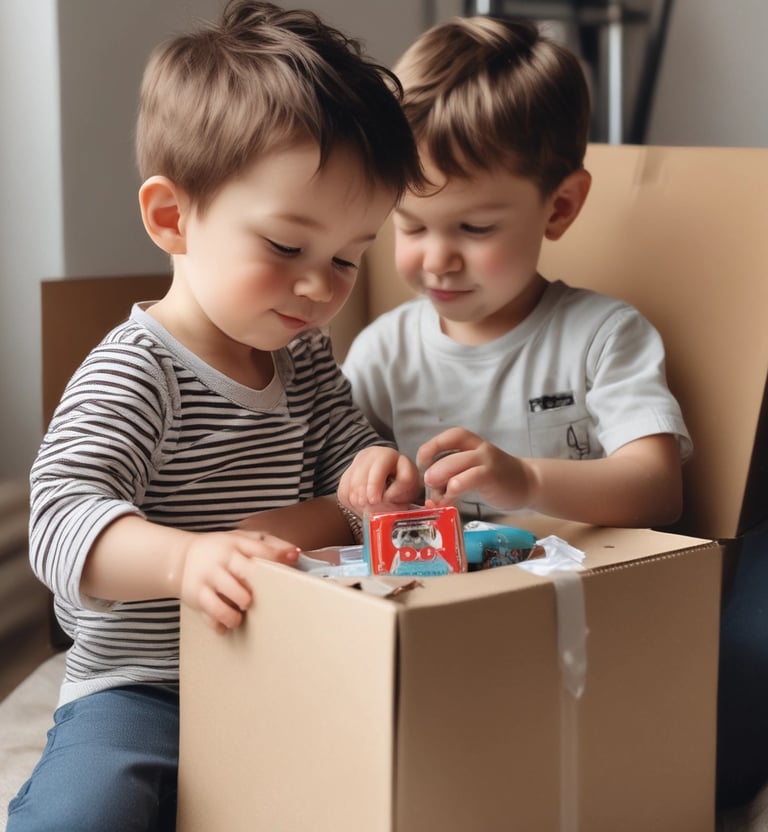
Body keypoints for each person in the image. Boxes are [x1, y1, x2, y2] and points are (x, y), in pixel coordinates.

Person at [7, 3, 421, 830]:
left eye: (346, 258)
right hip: (145, 686)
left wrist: (379, 470)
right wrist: (184, 562)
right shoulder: (137, 371)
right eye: (284, 248)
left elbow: (350, 450)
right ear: (172, 218)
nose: (320, 287)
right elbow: (58, 523)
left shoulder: (302, 357)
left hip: (289, 665)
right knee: (87, 812)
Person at [338, 15, 691, 528]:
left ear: (560, 207)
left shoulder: (602, 337)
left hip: (578, 598)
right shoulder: (383, 353)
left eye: (475, 228)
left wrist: (528, 482)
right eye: (411, 227)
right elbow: (335, 482)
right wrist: (367, 486)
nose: (437, 260)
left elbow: (659, 491)